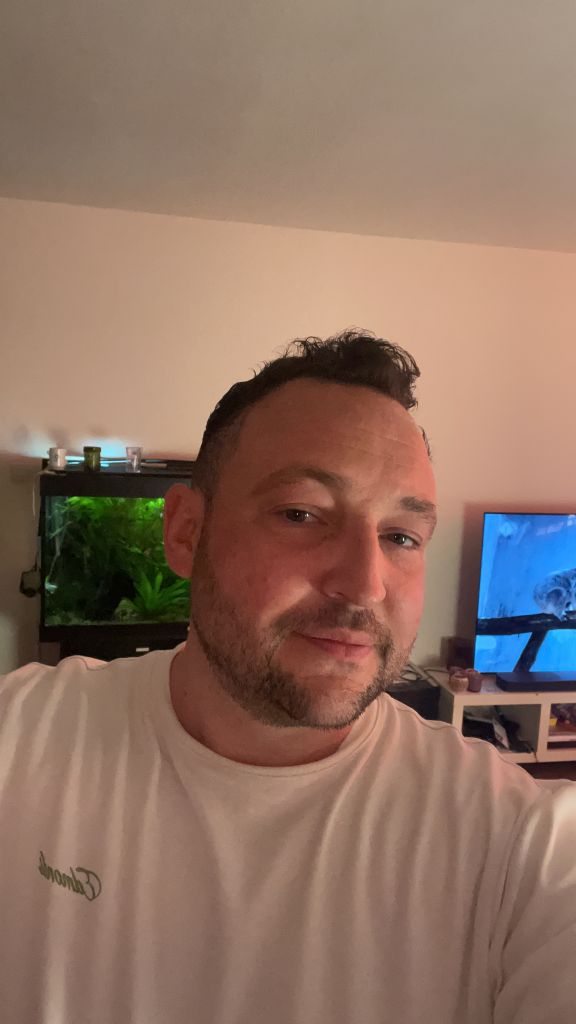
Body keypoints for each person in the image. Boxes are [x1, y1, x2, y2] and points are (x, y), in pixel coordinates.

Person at [0, 330, 574, 1024]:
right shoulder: (20, 741)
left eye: (401, 536)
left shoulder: (518, 841)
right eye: (301, 514)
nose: (365, 585)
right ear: (184, 533)